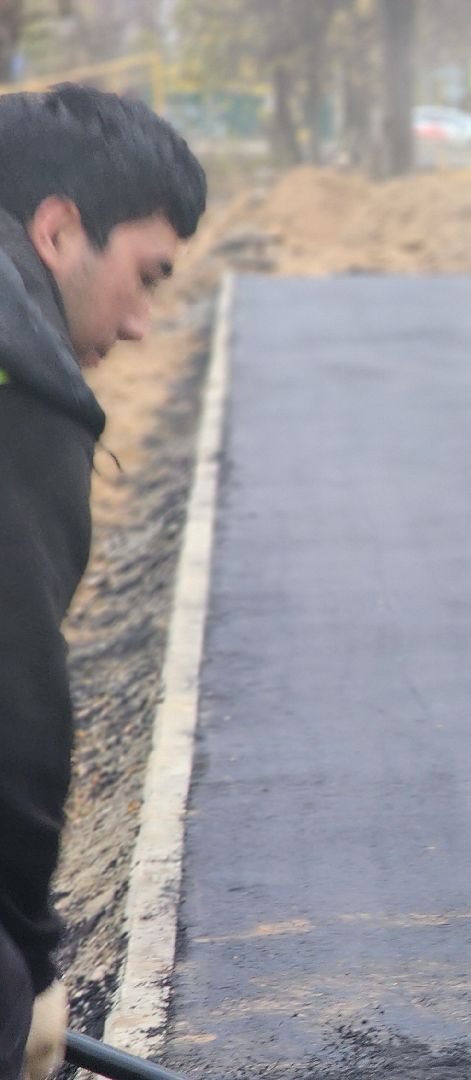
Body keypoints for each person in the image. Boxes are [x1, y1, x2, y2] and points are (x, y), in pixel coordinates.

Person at [0, 84, 206, 1078]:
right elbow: (14, 693)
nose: (137, 327)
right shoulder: (21, 387)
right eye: (146, 276)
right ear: (56, 229)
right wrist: (30, 962)